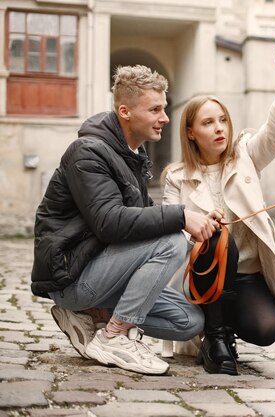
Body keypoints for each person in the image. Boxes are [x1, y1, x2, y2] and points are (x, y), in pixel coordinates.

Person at [31, 65, 221, 375]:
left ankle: (95, 315)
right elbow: (110, 222)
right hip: (73, 277)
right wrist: (181, 217)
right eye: (155, 109)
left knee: (189, 322)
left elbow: (143, 219)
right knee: (172, 241)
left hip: (106, 272)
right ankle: (114, 334)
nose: (165, 117)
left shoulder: (132, 155)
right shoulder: (87, 152)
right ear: (125, 111)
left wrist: (197, 217)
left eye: (164, 107)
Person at [162, 35, 275, 375]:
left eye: (222, 120)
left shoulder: (246, 156)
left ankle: (224, 326)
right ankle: (216, 336)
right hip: (202, 277)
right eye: (208, 123)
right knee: (214, 238)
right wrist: (197, 224)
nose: (218, 128)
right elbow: (172, 236)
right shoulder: (175, 177)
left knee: (268, 329)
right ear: (192, 133)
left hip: (246, 278)